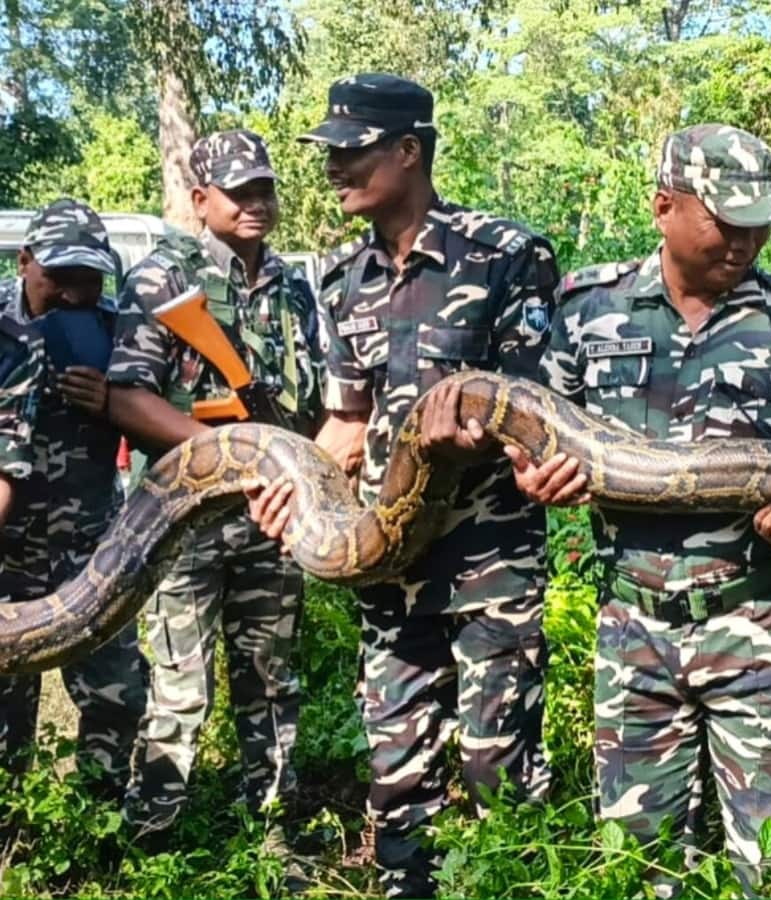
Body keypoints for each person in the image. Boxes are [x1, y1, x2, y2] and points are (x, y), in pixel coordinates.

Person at [512, 123, 771, 894]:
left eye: (758, 222)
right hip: (635, 628)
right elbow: (534, 426)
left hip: (762, 623)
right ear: (664, 207)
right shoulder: (589, 308)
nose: (746, 240)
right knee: (638, 867)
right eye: (727, 220)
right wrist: (534, 476)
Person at [254, 73, 559, 898]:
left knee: (502, 767)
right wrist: (294, 487)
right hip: (387, 571)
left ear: (409, 151)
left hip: (488, 564)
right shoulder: (341, 278)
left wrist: (468, 429)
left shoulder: (506, 254)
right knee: (397, 778)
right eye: (331, 154)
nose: (334, 169)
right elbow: (345, 425)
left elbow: (538, 406)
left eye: (351, 152)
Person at [106, 131, 323, 838]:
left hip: (271, 515)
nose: (257, 203)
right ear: (201, 200)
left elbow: (317, 393)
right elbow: (128, 397)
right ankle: (153, 836)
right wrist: (227, 450)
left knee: (270, 677)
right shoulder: (165, 279)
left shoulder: (293, 284)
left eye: (265, 188)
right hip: (183, 520)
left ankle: (273, 831)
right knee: (178, 688)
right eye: (239, 192)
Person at [0, 198, 147, 798]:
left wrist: (114, 402)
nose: (75, 294)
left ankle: (100, 828)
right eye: (61, 278)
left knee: (118, 695)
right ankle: (13, 837)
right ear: (26, 261)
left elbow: (156, 433)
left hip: (92, 548)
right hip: (7, 553)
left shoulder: (117, 330)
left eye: (89, 280)